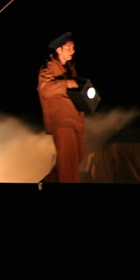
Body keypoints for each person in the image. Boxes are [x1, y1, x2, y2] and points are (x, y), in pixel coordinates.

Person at [38, 32, 86, 182]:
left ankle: (49, 182)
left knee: (78, 156)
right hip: (62, 119)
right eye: (69, 47)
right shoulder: (49, 67)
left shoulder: (70, 69)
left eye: (73, 47)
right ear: (58, 49)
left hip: (75, 119)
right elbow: (44, 88)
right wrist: (66, 84)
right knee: (68, 162)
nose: (73, 50)